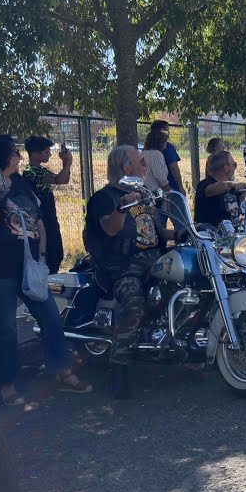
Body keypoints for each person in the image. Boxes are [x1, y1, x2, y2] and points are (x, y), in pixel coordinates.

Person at [0, 135, 91, 404]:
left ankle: (63, 372)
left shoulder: (22, 182)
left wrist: (41, 256)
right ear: (2, 157)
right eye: (15, 153)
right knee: (6, 326)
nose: (20, 157)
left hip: (30, 266)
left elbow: (37, 218)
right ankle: (7, 385)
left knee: (51, 317)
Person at [84, 145, 174, 395]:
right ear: (127, 168)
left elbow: (155, 232)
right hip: (123, 266)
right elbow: (111, 229)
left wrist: (183, 232)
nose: (145, 167)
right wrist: (121, 206)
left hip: (155, 260)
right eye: (142, 162)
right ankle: (119, 367)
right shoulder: (106, 198)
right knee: (134, 305)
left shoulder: (144, 196)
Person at [23, 135, 73, 271]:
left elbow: (63, 179)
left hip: (49, 218)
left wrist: (65, 164)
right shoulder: (31, 172)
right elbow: (59, 180)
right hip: (42, 220)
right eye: (46, 152)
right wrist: (68, 163)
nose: (50, 155)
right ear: (34, 153)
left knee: (55, 253)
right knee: (50, 255)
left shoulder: (41, 169)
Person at [194, 150, 246, 227]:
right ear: (226, 168)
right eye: (234, 164)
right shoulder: (204, 185)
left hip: (234, 233)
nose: (235, 168)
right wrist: (232, 184)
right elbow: (211, 190)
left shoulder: (232, 187)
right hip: (211, 234)